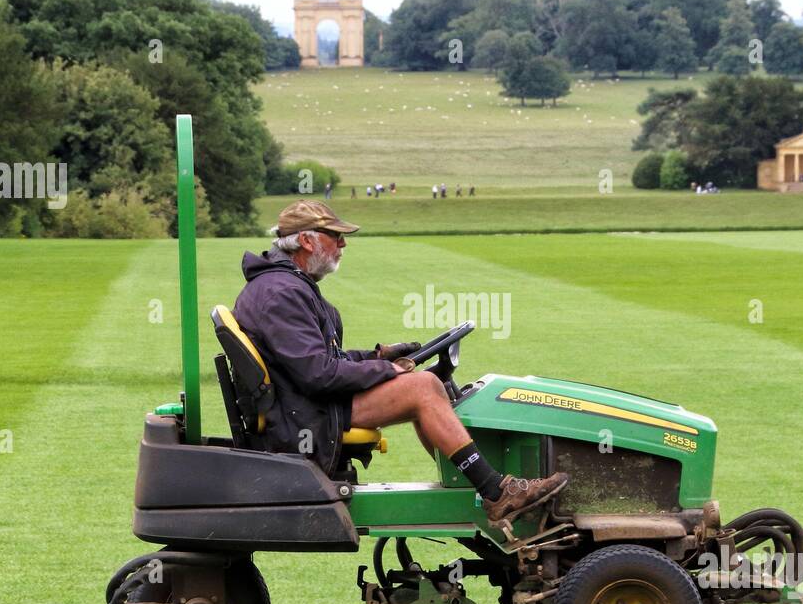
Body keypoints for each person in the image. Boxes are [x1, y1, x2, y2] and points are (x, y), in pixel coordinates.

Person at [232, 200, 569, 532]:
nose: (343, 244)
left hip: (305, 406)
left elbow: (322, 360)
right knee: (422, 389)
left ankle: (474, 483)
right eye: (336, 236)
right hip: (306, 415)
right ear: (307, 240)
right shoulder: (281, 293)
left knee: (426, 386)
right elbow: (317, 374)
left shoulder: (286, 285)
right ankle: (496, 491)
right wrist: (386, 371)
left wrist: (380, 357)